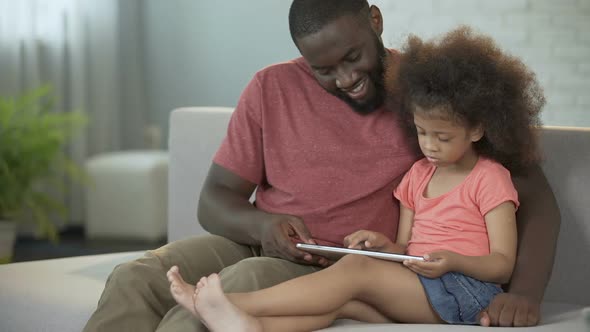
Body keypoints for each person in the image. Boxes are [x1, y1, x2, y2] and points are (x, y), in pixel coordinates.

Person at [83, 1, 560, 331]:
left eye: (353, 57)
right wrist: (262, 224)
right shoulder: (270, 87)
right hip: (250, 245)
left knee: (232, 290)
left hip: (328, 270)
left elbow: (535, 200)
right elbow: (214, 201)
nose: (346, 79)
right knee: (134, 277)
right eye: (324, 70)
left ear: (374, 20)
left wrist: (525, 294)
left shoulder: (432, 93)